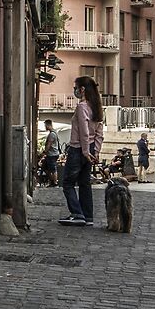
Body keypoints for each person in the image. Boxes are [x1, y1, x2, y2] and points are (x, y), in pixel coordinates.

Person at [59, 77, 103, 225]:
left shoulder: (82, 107)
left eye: (76, 87)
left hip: (78, 149)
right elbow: (99, 132)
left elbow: (84, 131)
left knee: (67, 183)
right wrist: (95, 151)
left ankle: (77, 214)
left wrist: (84, 150)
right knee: (85, 183)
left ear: (82, 89)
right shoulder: (96, 106)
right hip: (89, 148)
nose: (75, 91)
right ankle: (87, 216)